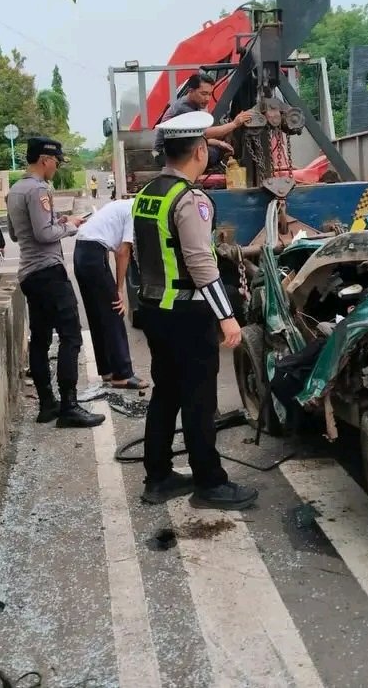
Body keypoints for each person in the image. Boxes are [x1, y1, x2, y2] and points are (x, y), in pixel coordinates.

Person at [134, 110, 258, 511]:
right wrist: (227, 316)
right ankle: (210, 483)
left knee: (166, 394)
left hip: (155, 310)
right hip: (188, 315)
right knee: (199, 400)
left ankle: (158, 477)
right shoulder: (190, 199)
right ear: (200, 151)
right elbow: (201, 263)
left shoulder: (148, 193)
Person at [7, 136, 104, 428]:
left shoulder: (15, 190)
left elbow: (16, 234)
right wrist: (70, 226)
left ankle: (47, 404)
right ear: (45, 160)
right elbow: (44, 234)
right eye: (56, 162)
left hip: (29, 274)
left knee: (40, 339)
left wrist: (58, 221)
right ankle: (69, 407)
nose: (57, 167)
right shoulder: (38, 189)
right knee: (71, 335)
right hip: (48, 272)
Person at [72, 198, 148, 391]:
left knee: (97, 314)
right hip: (94, 254)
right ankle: (122, 374)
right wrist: (119, 290)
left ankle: (107, 369)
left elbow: (114, 248)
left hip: (81, 252)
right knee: (115, 311)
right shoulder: (135, 211)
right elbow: (123, 252)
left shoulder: (120, 205)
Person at [153, 72, 255, 168]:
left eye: (210, 94)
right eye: (203, 94)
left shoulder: (194, 104)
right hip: (164, 155)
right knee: (212, 153)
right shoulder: (183, 108)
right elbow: (204, 133)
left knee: (222, 141)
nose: (207, 99)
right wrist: (235, 124)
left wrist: (219, 142)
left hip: (179, 146)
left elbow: (196, 136)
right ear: (191, 91)